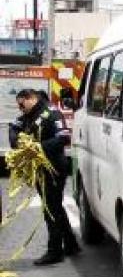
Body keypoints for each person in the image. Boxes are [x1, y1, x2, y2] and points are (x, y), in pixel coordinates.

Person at [9, 89, 80, 265]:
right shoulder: (28, 115)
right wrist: (20, 141)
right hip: (40, 169)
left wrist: (37, 147)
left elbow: (64, 137)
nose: (20, 108)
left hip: (54, 168)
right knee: (54, 207)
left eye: (21, 104)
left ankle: (55, 251)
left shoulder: (51, 113)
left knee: (50, 210)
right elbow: (13, 129)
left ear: (31, 98)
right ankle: (71, 245)